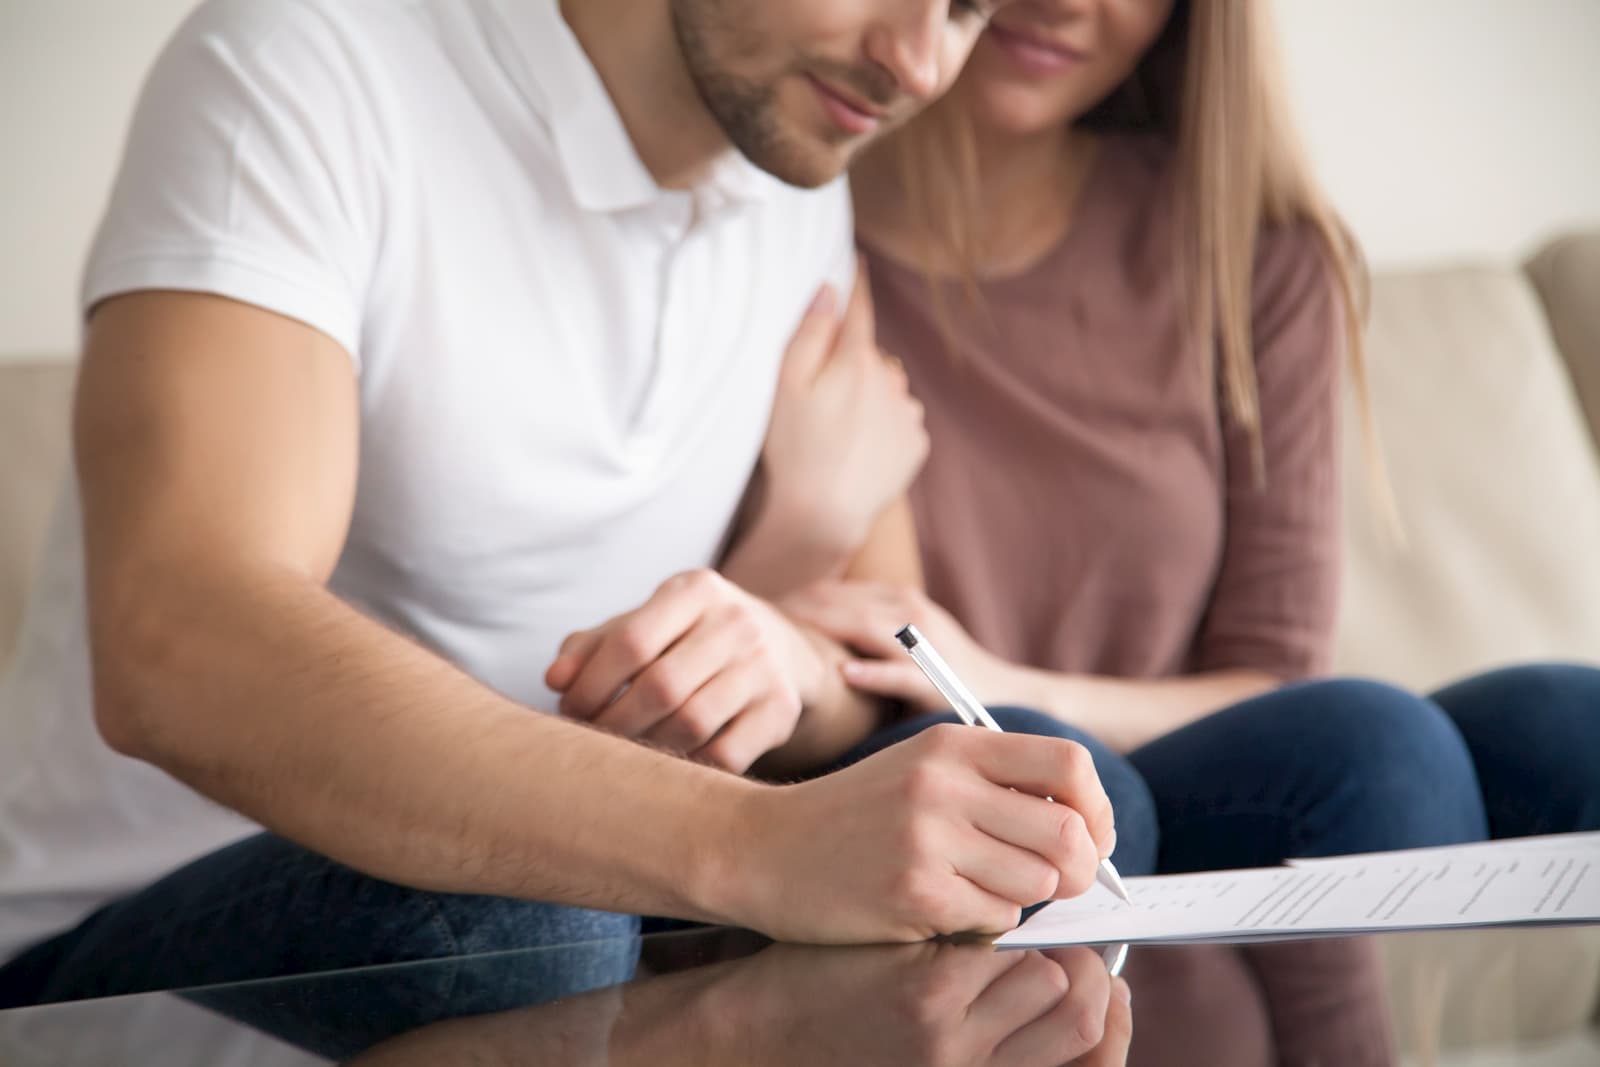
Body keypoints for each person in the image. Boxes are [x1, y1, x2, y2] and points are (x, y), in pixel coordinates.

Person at [0, 0, 1132, 1008]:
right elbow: (182, 646)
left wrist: (782, 645)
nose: (921, 64)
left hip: (596, 894)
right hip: (126, 938)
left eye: (968, 9)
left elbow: (879, 650)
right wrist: (752, 840)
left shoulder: (793, 179)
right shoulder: (304, 67)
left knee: (1045, 791)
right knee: (535, 916)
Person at [735, 0, 1600, 1062]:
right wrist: (805, 523)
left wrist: (997, 672)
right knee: (1076, 786)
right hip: (928, 891)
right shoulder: (776, 236)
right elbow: (811, 666)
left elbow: (1286, 700)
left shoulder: (1253, 255)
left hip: (1185, 885)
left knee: (1490, 735)